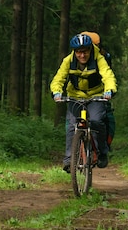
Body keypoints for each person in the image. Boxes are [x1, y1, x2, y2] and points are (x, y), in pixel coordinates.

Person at [50, 33, 117, 173]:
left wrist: (109, 89)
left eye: (85, 51)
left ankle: (101, 152)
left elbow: (107, 74)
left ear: (90, 49)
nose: (82, 55)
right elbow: (59, 78)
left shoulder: (98, 58)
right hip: (75, 96)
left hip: (96, 95)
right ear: (75, 52)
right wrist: (56, 92)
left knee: (97, 121)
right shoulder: (68, 60)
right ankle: (69, 160)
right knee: (71, 126)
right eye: (79, 52)